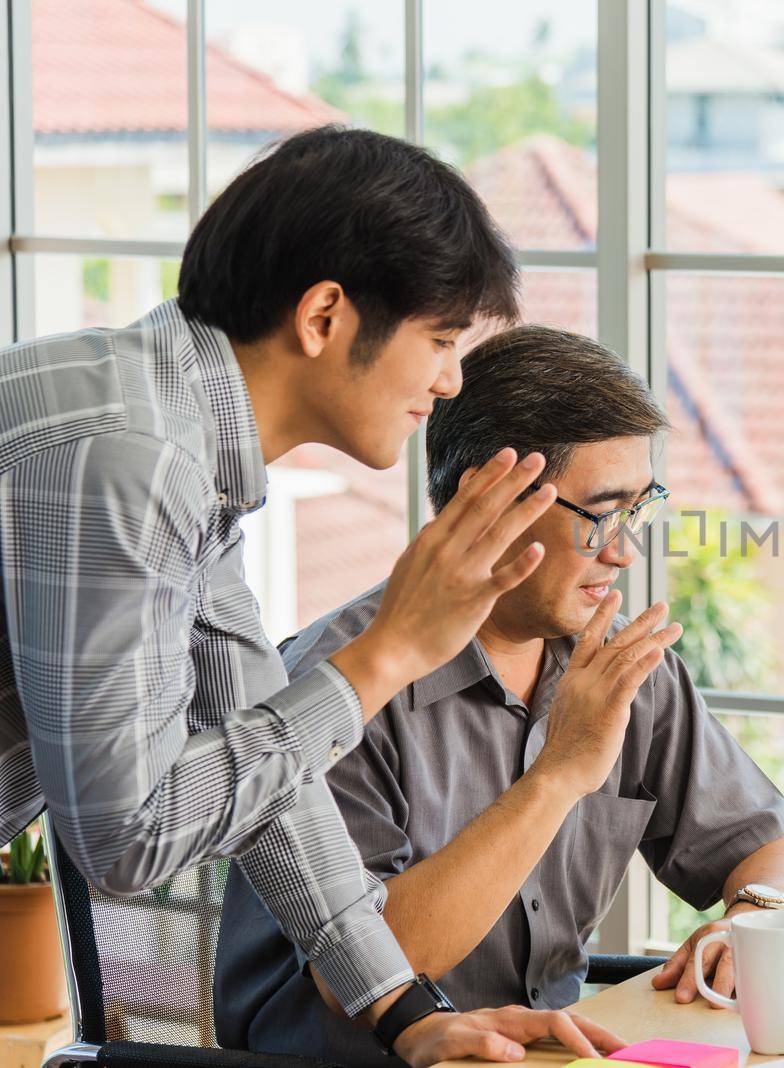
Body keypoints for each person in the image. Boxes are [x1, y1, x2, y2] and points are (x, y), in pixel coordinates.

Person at [0, 127, 641, 1064]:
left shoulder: (180, 438)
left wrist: (405, 1013)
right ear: (325, 316)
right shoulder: (132, 459)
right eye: (440, 338)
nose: (451, 380)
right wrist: (385, 656)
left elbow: (268, 752)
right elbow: (126, 841)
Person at [214, 325, 784, 1066]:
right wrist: (559, 776)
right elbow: (368, 969)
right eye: (601, 513)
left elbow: (774, 849)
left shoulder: (616, 662)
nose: (625, 549)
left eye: (640, 507)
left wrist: (752, 918)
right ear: (493, 502)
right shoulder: (342, 683)